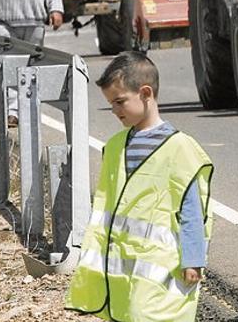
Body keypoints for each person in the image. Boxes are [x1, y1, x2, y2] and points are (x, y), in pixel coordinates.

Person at [66, 51, 213, 322]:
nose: (115, 111)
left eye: (120, 102)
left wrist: (194, 259)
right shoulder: (115, 147)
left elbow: (192, 209)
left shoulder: (180, 149)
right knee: (126, 314)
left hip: (162, 266)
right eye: (111, 104)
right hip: (122, 267)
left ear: (146, 93)